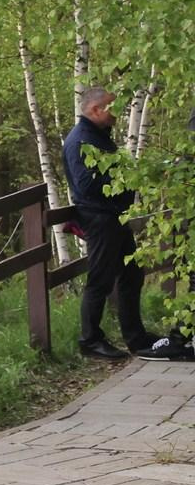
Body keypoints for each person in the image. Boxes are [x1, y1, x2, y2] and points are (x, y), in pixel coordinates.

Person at [66, 87, 167, 361]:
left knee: (132, 273)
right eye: (111, 108)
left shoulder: (99, 137)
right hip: (98, 217)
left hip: (113, 216)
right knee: (100, 279)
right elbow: (86, 184)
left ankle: (136, 337)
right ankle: (90, 341)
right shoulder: (81, 141)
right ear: (95, 110)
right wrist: (123, 182)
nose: (116, 114)